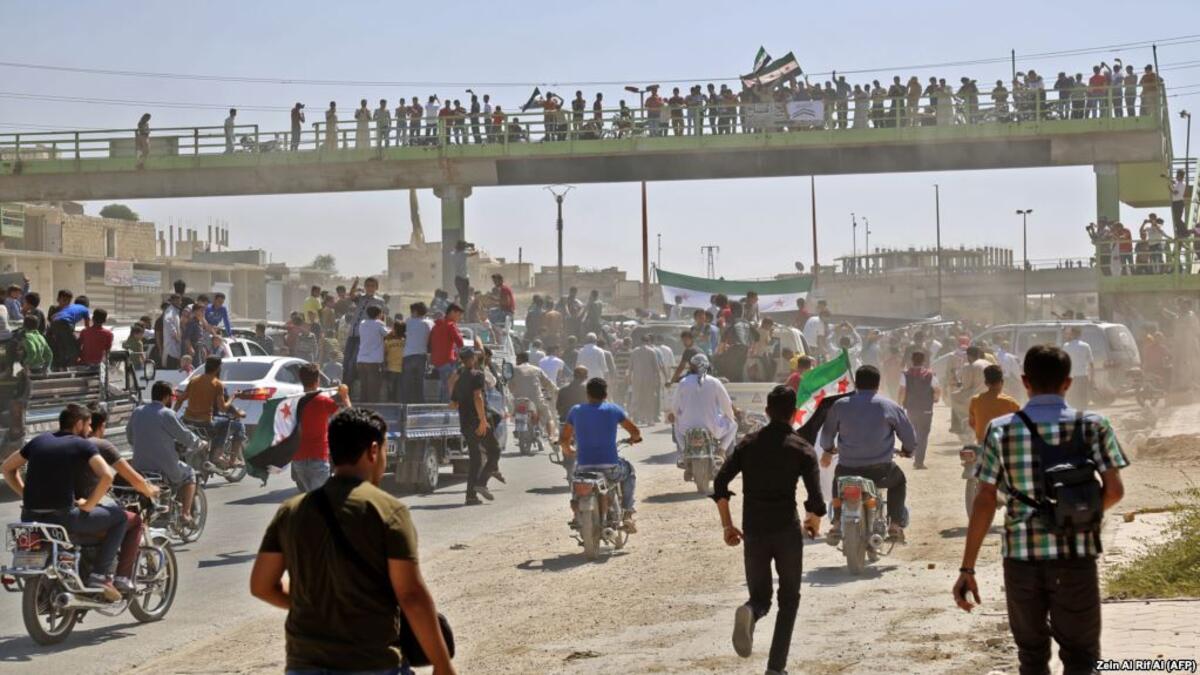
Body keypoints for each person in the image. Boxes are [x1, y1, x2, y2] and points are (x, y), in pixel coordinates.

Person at [953, 345, 1128, 675]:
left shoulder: (1001, 429)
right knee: (1082, 657)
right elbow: (1115, 491)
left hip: (1022, 561)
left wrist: (968, 568)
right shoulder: (1094, 425)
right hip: (1077, 557)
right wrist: (1077, 517)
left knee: (1031, 658)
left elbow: (985, 499)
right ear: (1068, 382)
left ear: (1025, 381)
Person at [250, 408, 456, 675]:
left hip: (304, 664)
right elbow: (411, 595)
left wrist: (316, 603)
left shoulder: (291, 511)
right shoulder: (388, 510)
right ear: (373, 451)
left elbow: (262, 586)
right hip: (372, 662)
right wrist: (442, 663)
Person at [712, 385, 824, 673]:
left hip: (754, 531)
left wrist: (727, 525)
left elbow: (720, 483)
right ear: (794, 413)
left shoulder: (748, 444)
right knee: (789, 600)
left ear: (767, 412)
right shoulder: (802, 448)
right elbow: (816, 499)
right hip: (786, 531)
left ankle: (751, 611)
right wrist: (813, 520)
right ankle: (775, 668)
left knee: (761, 597)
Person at [1, 404, 126, 601]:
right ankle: (100, 576)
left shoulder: (38, 441)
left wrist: (26, 494)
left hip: (30, 517)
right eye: (88, 425)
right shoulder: (82, 445)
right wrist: (89, 505)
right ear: (79, 424)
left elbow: (7, 468)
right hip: (63, 519)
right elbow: (107, 476)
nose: (90, 430)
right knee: (120, 517)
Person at [819, 365, 917, 541]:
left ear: (856, 384)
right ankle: (895, 525)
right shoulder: (889, 406)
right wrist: (907, 451)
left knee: (838, 480)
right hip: (881, 471)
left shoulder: (840, 405)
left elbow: (826, 436)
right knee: (899, 481)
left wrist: (828, 449)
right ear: (878, 384)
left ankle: (836, 523)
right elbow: (909, 437)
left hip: (847, 469)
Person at [83, 407, 160, 593]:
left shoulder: (67, 443)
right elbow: (133, 478)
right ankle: (120, 577)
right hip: (83, 511)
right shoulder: (101, 445)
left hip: (63, 508)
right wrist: (150, 490)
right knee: (132, 521)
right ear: (100, 426)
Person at [560, 377, 642, 530]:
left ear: (587, 394)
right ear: (606, 393)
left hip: (584, 467)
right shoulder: (613, 409)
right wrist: (634, 439)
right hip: (610, 467)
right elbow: (635, 432)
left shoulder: (576, 410)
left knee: (575, 480)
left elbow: (564, 440)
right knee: (629, 471)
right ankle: (628, 513)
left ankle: (577, 514)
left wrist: (569, 451)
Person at [129, 382, 203, 524]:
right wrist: (200, 444)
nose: (173, 400)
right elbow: (185, 436)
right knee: (190, 474)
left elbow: (130, 437)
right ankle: (186, 514)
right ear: (166, 397)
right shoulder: (167, 414)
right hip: (163, 468)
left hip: (139, 467)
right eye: (173, 396)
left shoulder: (137, 411)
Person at [289, 363, 351, 492]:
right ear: (317, 381)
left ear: (301, 380)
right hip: (318, 458)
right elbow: (349, 417)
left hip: (298, 460)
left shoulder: (294, 401)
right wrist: (345, 397)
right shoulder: (323, 401)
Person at [175, 355, 248, 465]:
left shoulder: (194, 380)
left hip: (188, 421)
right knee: (227, 423)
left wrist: (173, 414)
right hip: (205, 423)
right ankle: (217, 455)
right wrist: (233, 397)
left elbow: (180, 400)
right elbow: (223, 408)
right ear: (218, 368)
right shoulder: (217, 384)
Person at [448, 348, 496, 505]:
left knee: (475, 459)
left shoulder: (459, 379)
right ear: (473, 359)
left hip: (465, 423)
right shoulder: (478, 375)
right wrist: (482, 420)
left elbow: (453, 404)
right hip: (477, 422)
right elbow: (478, 397)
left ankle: (471, 496)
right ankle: (481, 483)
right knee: (495, 451)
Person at [671, 353, 737, 463]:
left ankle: (684, 451)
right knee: (734, 425)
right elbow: (727, 405)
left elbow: (674, 407)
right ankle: (721, 451)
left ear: (691, 367)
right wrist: (731, 417)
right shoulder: (715, 382)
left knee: (676, 425)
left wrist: (676, 416)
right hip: (712, 428)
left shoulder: (683, 382)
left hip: (687, 428)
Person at [897, 351, 940, 469]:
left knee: (914, 431)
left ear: (912, 361)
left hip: (911, 408)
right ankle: (919, 461)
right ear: (924, 361)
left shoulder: (905, 374)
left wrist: (899, 404)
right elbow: (937, 390)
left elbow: (902, 391)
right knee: (923, 435)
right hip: (926, 409)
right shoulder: (930, 375)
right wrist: (935, 399)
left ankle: (915, 453)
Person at [968, 365, 1021, 444]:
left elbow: (972, 423)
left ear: (986, 383)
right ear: (1002, 382)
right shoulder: (1011, 403)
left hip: (982, 443)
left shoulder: (975, 400)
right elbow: (1019, 426)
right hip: (1003, 444)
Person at [430, 303, 465, 402]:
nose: (459, 318)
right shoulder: (450, 325)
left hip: (437, 361)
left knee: (444, 385)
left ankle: (442, 404)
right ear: (452, 312)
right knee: (449, 386)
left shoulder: (436, 326)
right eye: (458, 315)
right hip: (447, 361)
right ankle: (446, 406)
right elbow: (460, 342)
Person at [627, 334, 664, 425]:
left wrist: (629, 378)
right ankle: (649, 420)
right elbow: (656, 368)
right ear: (648, 341)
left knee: (636, 398)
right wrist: (658, 379)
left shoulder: (634, 351)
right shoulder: (652, 351)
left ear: (640, 341)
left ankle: (631, 418)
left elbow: (630, 368)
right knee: (649, 399)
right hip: (649, 379)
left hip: (637, 379)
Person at [47, 291, 89, 370]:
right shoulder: (55, 309)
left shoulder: (70, 310)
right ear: (58, 299)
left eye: (69, 301)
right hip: (56, 338)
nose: (66, 303)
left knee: (69, 351)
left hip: (63, 335)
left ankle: (66, 369)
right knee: (72, 350)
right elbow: (52, 322)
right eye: (64, 300)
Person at [355, 305, 388, 402]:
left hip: (361, 359)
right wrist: (384, 321)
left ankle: (363, 406)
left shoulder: (362, 323)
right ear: (379, 314)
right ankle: (373, 407)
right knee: (373, 388)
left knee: (364, 386)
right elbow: (388, 334)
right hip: (374, 361)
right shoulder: (379, 324)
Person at [402, 302, 433, 404]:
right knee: (420, 382)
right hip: (421, 355)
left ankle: (406, 404)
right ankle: (420, 403)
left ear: (415, 312)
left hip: (408, 355)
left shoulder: (408, 321)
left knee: (407, 382)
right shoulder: (429, 323)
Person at [1062, 327, 1094, 411]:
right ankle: (1082, 415)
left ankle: (1073, 415)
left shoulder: (1066, 346)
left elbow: (1063, 362)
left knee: (1071, 399)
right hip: (1082, 376)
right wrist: (1092, 378)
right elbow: (1091, 363)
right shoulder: (1086, 346)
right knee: (1083, 399)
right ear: (1080, 334)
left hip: (1071, 377)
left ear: (1072, 334)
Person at [383, 320, 406, 403]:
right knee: (399, 391)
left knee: (390, 390)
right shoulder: (406, 342)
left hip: (390, 369)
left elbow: (384, 355)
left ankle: (390, 402)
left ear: (394, 330)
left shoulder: (388, 342)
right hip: (402, 369)